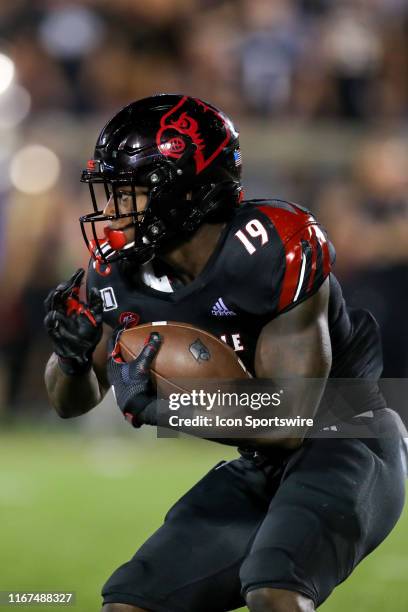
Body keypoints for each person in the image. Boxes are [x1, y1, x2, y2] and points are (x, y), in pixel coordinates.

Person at [44, 94, 406, 612]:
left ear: (190, 190)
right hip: (261, 463)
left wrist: (157, 406)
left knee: (275, 592)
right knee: (131, 602)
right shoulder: (116, 272)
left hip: (348, 439)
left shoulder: (270, 247)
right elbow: (69, 401)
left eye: (137, 191)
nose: (118, 208)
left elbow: (290, 419)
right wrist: (72, 357)